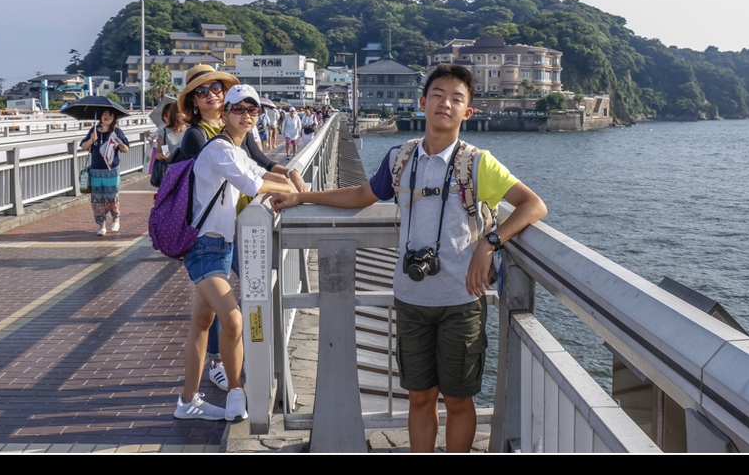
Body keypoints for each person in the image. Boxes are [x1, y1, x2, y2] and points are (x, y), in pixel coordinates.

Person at [271, 63, 547, 452]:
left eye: (456, 99)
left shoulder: (477, 163)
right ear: (422, 103)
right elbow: (361, 196)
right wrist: (302, 198)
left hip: (462, 301)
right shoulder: (400, 159)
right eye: (437, 96)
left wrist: (490, 242)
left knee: (458, 400)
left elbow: (533, 205)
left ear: (467, 113)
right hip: (412, 298)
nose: (445, 105)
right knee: (419, 397)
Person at [176, 64, 306, 393]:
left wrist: (290, 175)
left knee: (204, 320)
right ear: (193, 100)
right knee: (238, 309)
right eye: (202, 91)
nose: (210, 95)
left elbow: (257, 160)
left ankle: (189, 399)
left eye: (216, 88)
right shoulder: (204, 139)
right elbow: (247, 179)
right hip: (207, 237)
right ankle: (232, 377)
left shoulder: (233, 137)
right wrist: (301, 193)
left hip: (228, 233)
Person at [80, 108, 130, 236]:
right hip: (96, 171)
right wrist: (91, 139)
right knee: (97, 200)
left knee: (113, 197)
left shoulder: (117, 131)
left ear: (114, 118)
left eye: (110, 115)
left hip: (112, 170)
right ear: (100, 117)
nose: (107, 116)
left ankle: (115, 218)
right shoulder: (94, 131)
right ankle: (101, 225)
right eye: (104, 114)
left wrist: (119, 142)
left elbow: (126, 149)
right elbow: (84, 147)